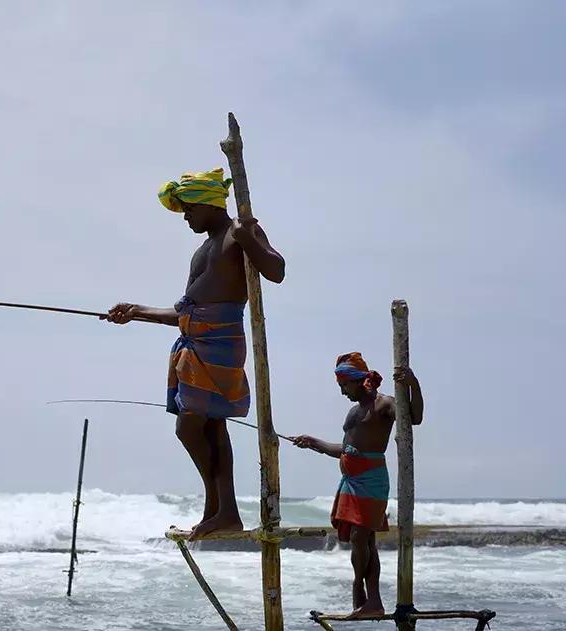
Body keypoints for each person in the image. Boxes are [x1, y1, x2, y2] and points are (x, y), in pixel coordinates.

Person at [102, 168, 285, 539]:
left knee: (189, 427)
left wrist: (250, 238)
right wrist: (135, 310)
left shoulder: (238, 231)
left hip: (220, 342)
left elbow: (277, 270)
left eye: (188, 209)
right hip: (194, 342)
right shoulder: (204, 247)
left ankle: (225, 508)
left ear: (207, 203)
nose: (185, 217)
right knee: (210, 426)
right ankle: (219, 511)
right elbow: (185, 314)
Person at [291, 352, 424, 618]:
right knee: (365, 541)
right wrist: (314, 443)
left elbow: (414, 418)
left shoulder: (385, 404)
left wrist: (413, 384)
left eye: (344, 386)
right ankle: (372, 601)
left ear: (356, 380)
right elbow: (347, 449)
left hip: (371, 480)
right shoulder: (354, 411)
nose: (342, 393)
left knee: (359, 537)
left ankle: (360, 589)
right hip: (350, 483)